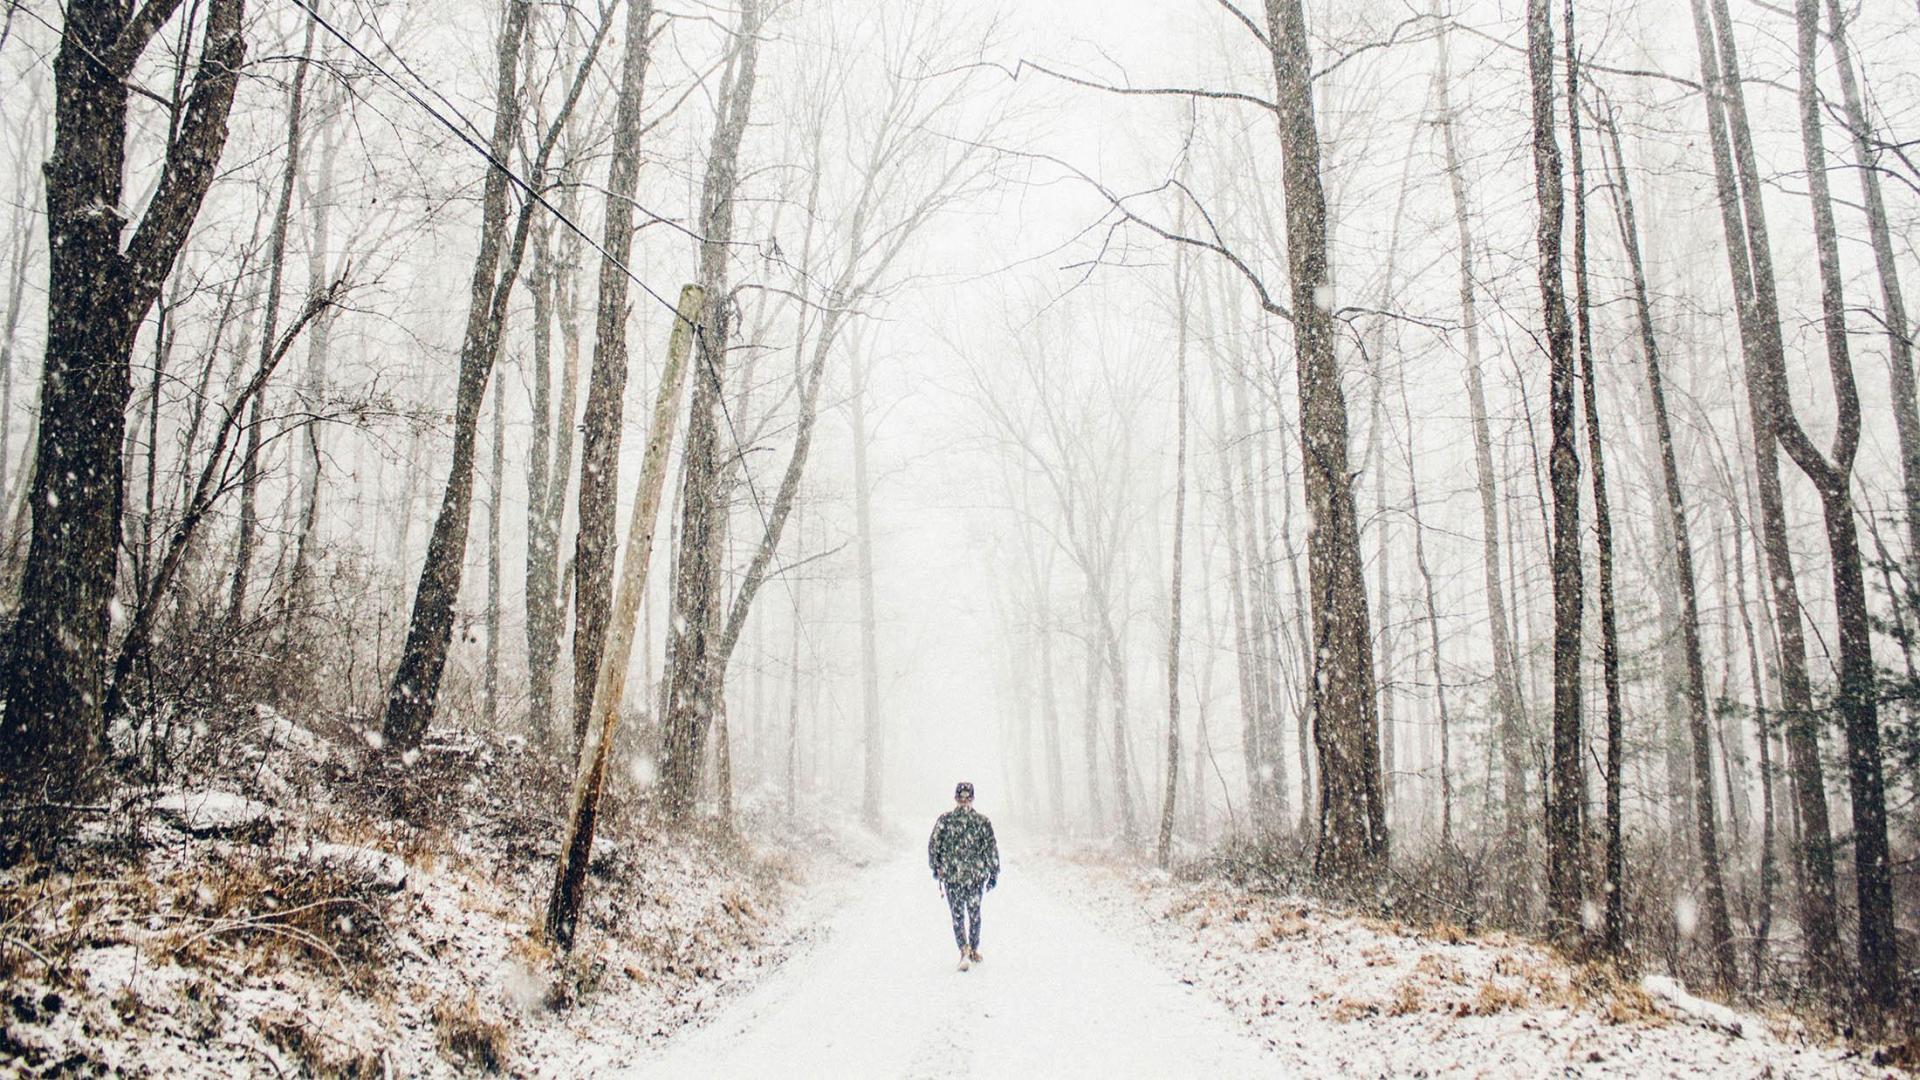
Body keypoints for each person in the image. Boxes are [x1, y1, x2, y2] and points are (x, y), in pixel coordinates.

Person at [927, 781, 999, 971]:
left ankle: (965, 949)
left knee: (958, 915)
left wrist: (936, 866)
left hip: (954, 877)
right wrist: (993, 872)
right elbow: (991, 849)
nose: (965, 801)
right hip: (974, 876)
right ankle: (971, 949)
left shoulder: (946, 821)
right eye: (963, 797)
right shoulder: (982, 822)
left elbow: (934, 846)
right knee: (973, 914)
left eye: (966, 797)